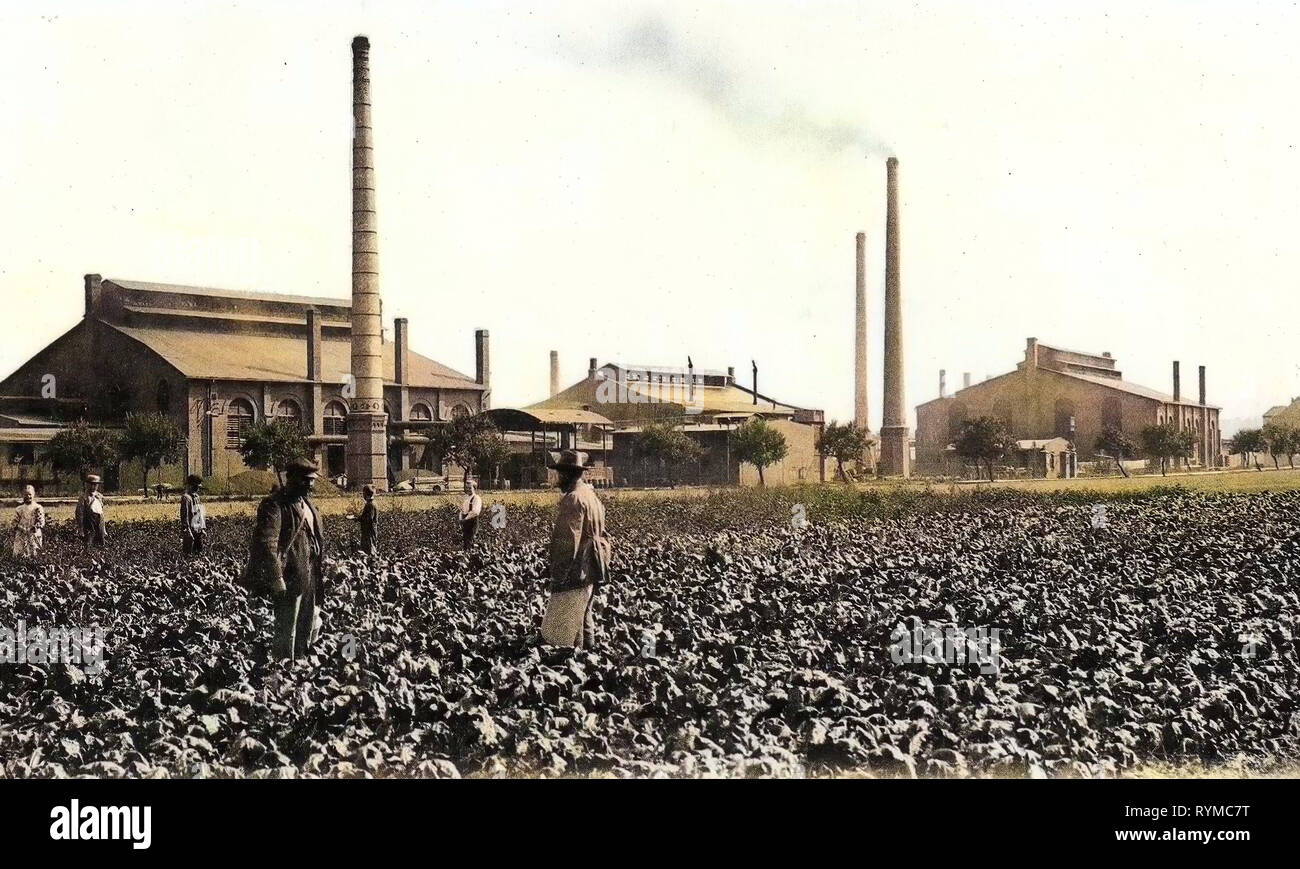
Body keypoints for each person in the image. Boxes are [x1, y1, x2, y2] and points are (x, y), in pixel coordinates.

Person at [241, 457, 325, 661]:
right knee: (287, 629)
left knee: (307, 623)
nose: (310, 485)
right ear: (292, 479)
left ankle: (301, 665)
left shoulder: (307, 505)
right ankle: (284, 669)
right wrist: (276, 578)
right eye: (305, 480)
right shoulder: (275, 504)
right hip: (288, 577)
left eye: (312, 480)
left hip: (310, 575)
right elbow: (267, 542)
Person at [540, 450, 611, 649]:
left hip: (577, 569)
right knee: (583, 616)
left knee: (562, 628)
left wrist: (557, 575)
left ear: (567, 474)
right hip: (594, 566)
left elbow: (567, 543)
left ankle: (573, 662)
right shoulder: (592, 497)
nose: (557, 478)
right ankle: (590, 660)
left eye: (560, 473)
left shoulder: (573, 499)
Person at [74, 474, 107, 551]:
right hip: (88, 522)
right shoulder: (84, 497)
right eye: (91, 484)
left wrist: (103, 527)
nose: (93, 487)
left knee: (101, 541)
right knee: (89, 541)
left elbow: (101, 512)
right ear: (87, 485)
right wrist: (81, 528)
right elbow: (79, 513)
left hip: (99, 520)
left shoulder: (99, 496)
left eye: (95, 485)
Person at [11, 485, 45, 559]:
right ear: (22, 495)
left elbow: (41, 520)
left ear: (33, 494)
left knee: (34, 551)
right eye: (26, 495)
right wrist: (20, 528)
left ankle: (33, 566)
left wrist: (35, 527)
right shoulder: (19, 509)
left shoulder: (37, 508)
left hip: (33, 533)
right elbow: (14, 522)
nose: (28, 496)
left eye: (30, 494)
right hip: (21, 533)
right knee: (20, 553)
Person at [180, 474, 206, 555]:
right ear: (190, 485)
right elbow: (185, 517)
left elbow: (200, 514)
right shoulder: (186, 498)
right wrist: (188, 532)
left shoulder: (197, 497)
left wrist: (202, 529)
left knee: (200, 554)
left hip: (198, 531)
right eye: (196, 486)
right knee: (188, 555)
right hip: (190, 532)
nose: (197, 488)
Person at [459, 477, 482, 551]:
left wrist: (465, 519)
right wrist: (461, 519)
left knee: (470, 540)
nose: (468, 489)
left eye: (470, 488)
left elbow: (475, 512)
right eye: (467, 488)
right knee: (465, 540)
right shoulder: (466, 498)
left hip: (472, 521)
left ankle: (472, 555)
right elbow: (462, 510)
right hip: (465, 521)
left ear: (474, 488)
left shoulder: (476, 498)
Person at [356, 484, 378, 555]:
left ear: (366, 494)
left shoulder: (370, 505)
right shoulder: (372, 503)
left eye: (364, 493)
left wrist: (357, 518)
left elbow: (368, 519)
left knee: (369, 551)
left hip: (369, 531)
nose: (363, 495)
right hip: (370, 530)